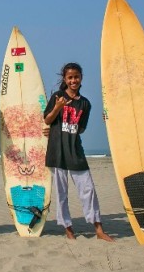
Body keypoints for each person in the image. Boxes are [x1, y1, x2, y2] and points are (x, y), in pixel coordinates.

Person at [42, 63, 113, 241]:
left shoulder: (85, 103)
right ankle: (68, 228)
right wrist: (57, 108)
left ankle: (98, 229)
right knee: (61, 193)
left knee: (88, 189)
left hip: (75, 151)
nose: (73, 80)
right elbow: (47, 119)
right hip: (57, 151)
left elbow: (80, 129)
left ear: (81, 77)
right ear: (65, 79)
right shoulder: (57, 96)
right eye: (70, 77)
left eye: (76, 77)